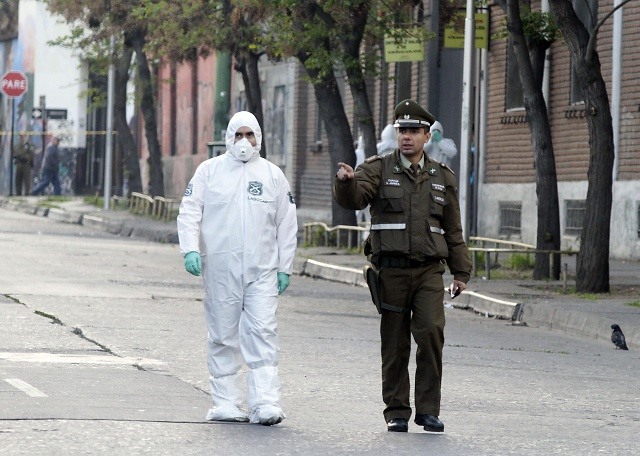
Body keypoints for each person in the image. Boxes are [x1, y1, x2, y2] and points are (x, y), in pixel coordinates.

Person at [333, 99, 471, 434]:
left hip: (428, 271)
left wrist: (462, 272)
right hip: (391, 271)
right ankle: (397, 410)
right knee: (394, 343)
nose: (407, 137)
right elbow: (355, 198)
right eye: (402, 131)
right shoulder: (377, 168)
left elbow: (452, 229)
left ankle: (427, 410)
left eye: (414, 131)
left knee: (431, 334)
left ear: (427, 137)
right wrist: (347, 181)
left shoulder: (442, 177)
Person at [177, 111, 298, 426]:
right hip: (220, 268)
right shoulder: (209, 172)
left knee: (263, 331)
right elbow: (190, 210)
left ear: (259, 137)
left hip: (262, 270)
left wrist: (285, 267)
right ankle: (226, 402)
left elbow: (287, 224)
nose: (245, 141)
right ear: (229, 136)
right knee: (223, 334)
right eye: (239, 134)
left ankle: (265, 403)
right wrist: (190, 248)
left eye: (251, 135)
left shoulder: (272, 175)